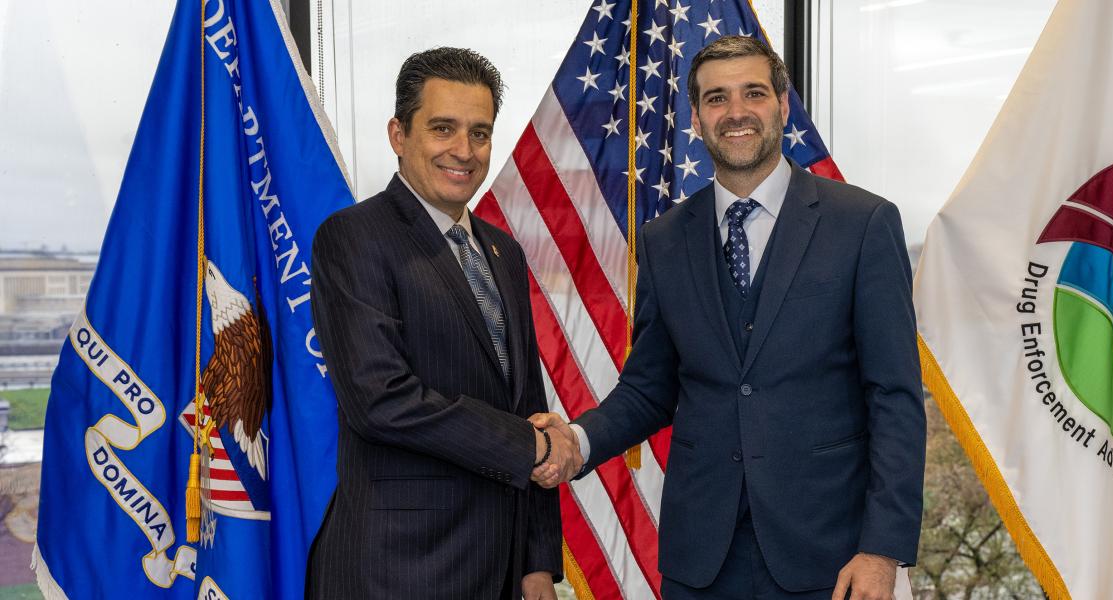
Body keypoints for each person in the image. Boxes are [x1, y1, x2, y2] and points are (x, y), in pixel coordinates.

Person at [531, 36, 926, 600]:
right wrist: (576, 440)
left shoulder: (863, 225)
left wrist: (882, 550)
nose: (736, 112)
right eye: (717, 98)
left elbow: (895, 399)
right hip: (700, 562)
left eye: (754, 93)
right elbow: (649, 388)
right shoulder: (665, 240)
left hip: (831, 558)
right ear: (696, 117)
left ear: (783, 106)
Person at [306, 47, 577, 600]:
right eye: (442, 128)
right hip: (396, 571)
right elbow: (381, 400)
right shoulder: (353, 237)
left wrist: (538, 561)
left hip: (499, 573)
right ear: (398, 135)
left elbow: (530, 406)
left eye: (480, 133)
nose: (464, 151)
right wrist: (531, 446)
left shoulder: (502, 251)